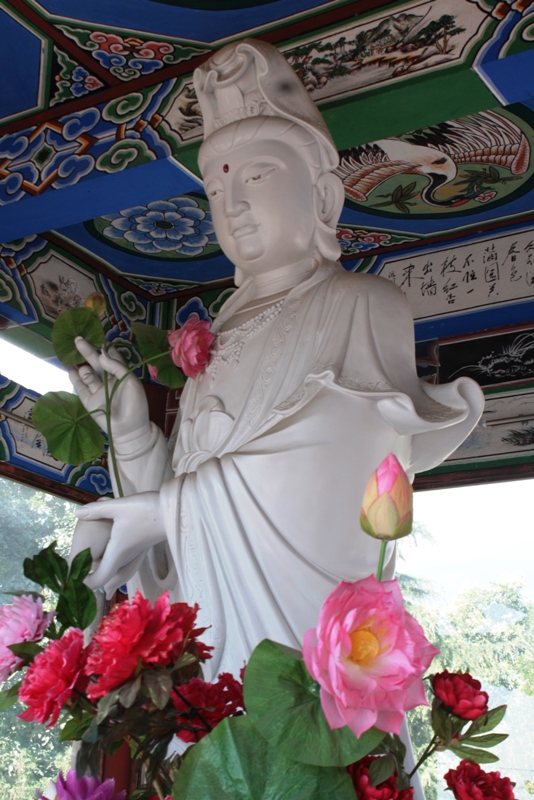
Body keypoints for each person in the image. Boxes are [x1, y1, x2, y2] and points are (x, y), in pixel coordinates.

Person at [71, 40, 484, 683]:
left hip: (307, 637)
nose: (231, 207)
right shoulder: (218, 334)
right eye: (215, 188)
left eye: (257, 176)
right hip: (210, 643)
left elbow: (345, 455)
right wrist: (132, 436)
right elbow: (179, 510)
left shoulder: (361, 303)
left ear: (322, 197)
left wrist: (176, 509)